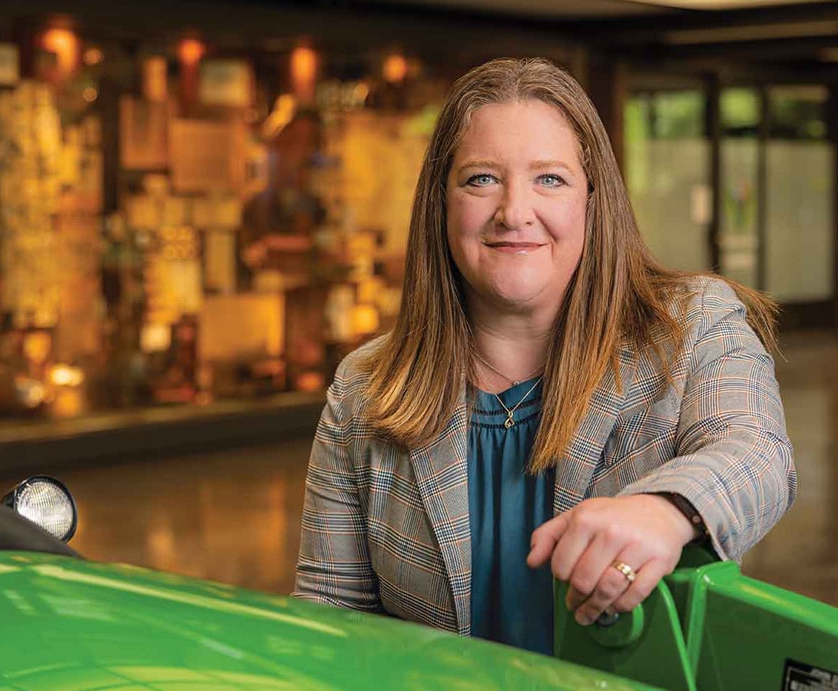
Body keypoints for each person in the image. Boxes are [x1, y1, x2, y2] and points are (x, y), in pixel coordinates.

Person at [292, 58, 794, 655]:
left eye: (549, 179)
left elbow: (758, 455)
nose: (514, 211)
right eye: (481, 179)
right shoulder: (365, 388)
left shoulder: (692, 325)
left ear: (591, 197)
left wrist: (666, 510)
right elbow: (329, 614)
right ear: (441, 203)